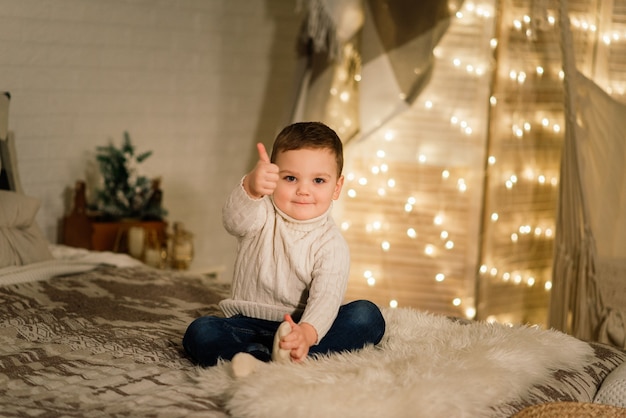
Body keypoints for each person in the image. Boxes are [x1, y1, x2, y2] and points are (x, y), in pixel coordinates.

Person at [182, 121, 385, 377]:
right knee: (201, 331)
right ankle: (265, 358)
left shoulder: (331, 243)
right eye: (290, 178)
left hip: (300, 325)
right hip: (247, 323)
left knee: (367, 316)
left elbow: (326, 297)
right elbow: (233, 221)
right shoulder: (260, 214)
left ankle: (291, 354)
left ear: (337, 187)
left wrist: (307, 333)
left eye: (318, 180)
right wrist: (251, 188)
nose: (303, 190)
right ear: (273, 178)